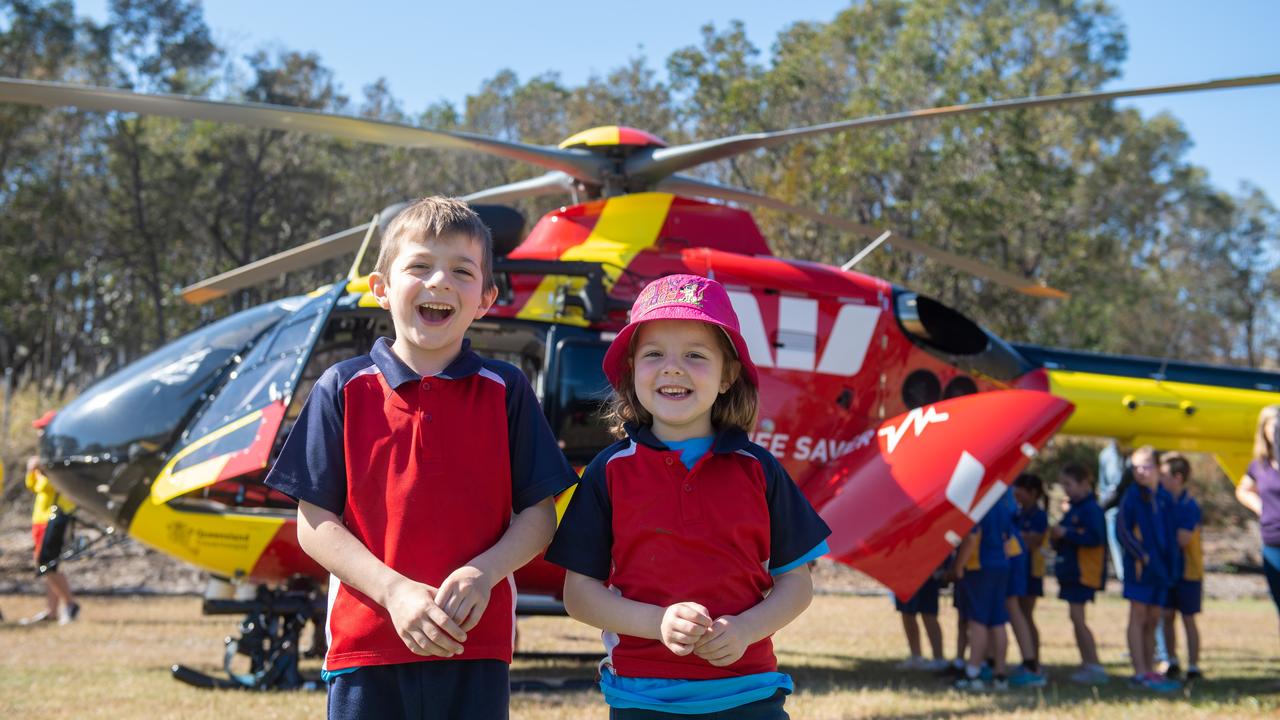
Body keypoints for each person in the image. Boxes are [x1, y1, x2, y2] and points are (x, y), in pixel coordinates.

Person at [265, 197, 576, 720]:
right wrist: (395, 592)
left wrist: (485, 572)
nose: (439, 282)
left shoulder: (508, 391)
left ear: (485, 298)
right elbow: (313, 523)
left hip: (474, 647)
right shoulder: (341, 388)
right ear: (381, 289)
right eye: (419, 266)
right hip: (367, 647)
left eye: (461, 270)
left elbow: (540, 516)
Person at [546, 274, 831, 718]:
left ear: (727, 376)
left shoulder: (760, 470)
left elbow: (797, 583)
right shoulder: (609, 471)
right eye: (654, 353)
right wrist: (656, 624)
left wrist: (747, 628)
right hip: (641, 697)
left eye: (695, 355)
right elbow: (578, 595)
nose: (672, 367)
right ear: (631, 372)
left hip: (749, 693)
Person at [1117, 446, 1180, 692]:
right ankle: (1139, 670)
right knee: (1138, 615)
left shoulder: (1164, 496)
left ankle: (1151, 668)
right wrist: (1141, 556)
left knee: (1154, 618)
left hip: (1161, 569)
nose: (1141, 472)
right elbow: (1122, 530)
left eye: (1146, 465)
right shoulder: (1132, 496)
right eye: (1136, 467)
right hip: (1140, 569)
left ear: (1157, 467)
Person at [950, 484, 1017, 692]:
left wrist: (958, 568)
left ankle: (973, 673)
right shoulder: (1002, 505)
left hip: (980, 569)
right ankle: (1000, 675)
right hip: (1001, 567)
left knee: (977, 621)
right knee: (997, 620)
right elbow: (1010, 540)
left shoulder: (978, 505)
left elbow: (971, 538)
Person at [1051, 463, 1107, 685]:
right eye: (1062, 484)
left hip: (1083, 572)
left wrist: (1067, 532)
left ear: (1084, 484)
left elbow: (1095, 538)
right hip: (1069, 570)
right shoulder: (1072, 508)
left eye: (1069, 484)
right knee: (1075, 618)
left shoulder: (1091, 509)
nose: (1065, 489)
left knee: (1078, 618)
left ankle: (1094, 664)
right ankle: (1087, 662)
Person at [24, 410, 80, 625]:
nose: (39, 433)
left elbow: (52, 485)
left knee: (47, 563)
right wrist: (32, 472)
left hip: (55, 515)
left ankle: (71, 604)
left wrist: (43, 469)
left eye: (43, 429)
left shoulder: (61, 454)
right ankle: (52, 610)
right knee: (47, 564)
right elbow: (34, 487)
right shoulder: (46, 453)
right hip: (41, 516)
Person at [1235, 404, 1280, 645]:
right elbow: (1242, 489)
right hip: (1273, 542)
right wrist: (1262, 508)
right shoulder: (1259, 465)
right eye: (1273, 426)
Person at [1158, 452, 1202, 681]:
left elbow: (1183, 538)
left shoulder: (1189, 505)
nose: (1160, 478)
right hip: (1167, 570)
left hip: (1188, 572)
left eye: (1164, 474)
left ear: (1177, 477)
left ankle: (1193, 666)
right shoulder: (1160, 502)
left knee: (1188, 617)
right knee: (1166, 615)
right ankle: (1171, 660)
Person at [1010, 474, 1048, 687]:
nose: (1016, 494)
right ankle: (1030, 659)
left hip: (1032, 571)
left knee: (1026, 615)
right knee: (1022, 614)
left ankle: (1033, 661)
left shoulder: (1039, 515)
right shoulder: (1019, 513)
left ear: (1032, 492)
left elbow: (1034, 540)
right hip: (1021, 569)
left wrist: (1018, 536)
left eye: (1020, 489)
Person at [893, 562, 948, 671]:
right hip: (904, 570)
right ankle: (916, 656)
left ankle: (939, 658)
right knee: (907, 613)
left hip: (928, 570)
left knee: (929, 614)